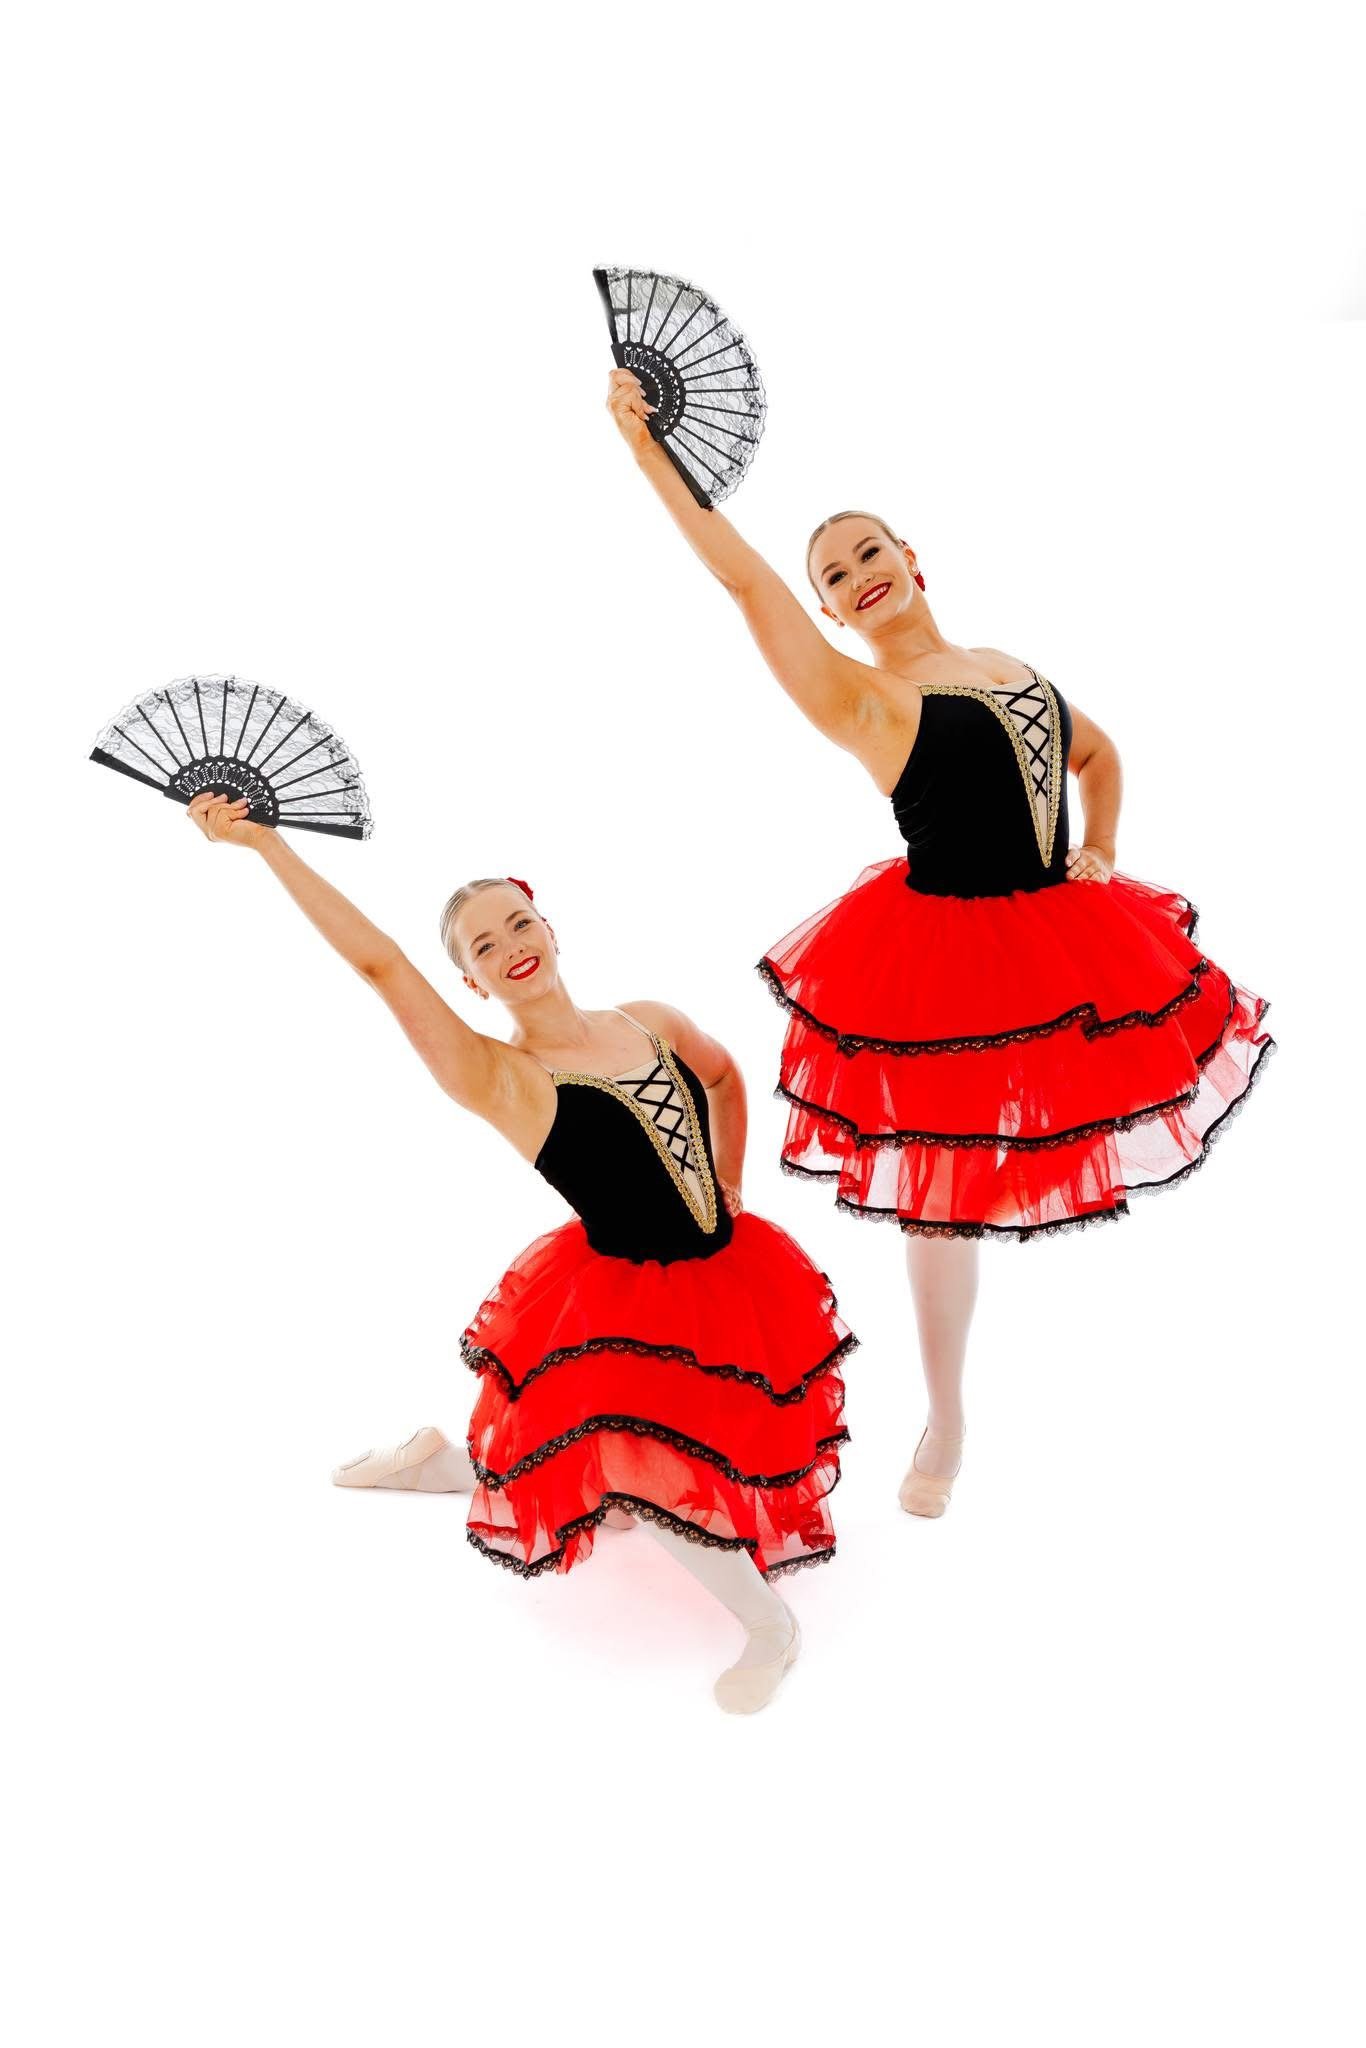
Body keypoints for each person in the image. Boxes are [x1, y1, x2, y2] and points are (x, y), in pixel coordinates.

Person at [607, 368, 1273, 1519]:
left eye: (867, 551)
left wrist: (1101, 846)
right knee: (940, 1193)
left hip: (1063, 933)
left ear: (911, 558)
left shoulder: (1009, 665)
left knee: (1064, 1134)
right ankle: (947, 1416)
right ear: (829, 612)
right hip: (936, 957)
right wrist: (647, 452)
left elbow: (1096, 753)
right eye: (832, 576)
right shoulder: (864, 699)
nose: (854, 574)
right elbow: (742, 578)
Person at [185, 793, 853, 1712]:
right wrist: (267, 845)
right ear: (471, 983)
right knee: (635, 1455)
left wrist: (730, 1183)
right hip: (620, 1299)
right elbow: (381, 964)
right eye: (483, 947)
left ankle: (437, 1462)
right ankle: (769, 1625)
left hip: (728, 1273)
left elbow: (724, 1077)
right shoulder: (501, 1077)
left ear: (550, 928)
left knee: (656, 1460)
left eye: (518, 923)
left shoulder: (648, 1018)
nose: (509, 947)